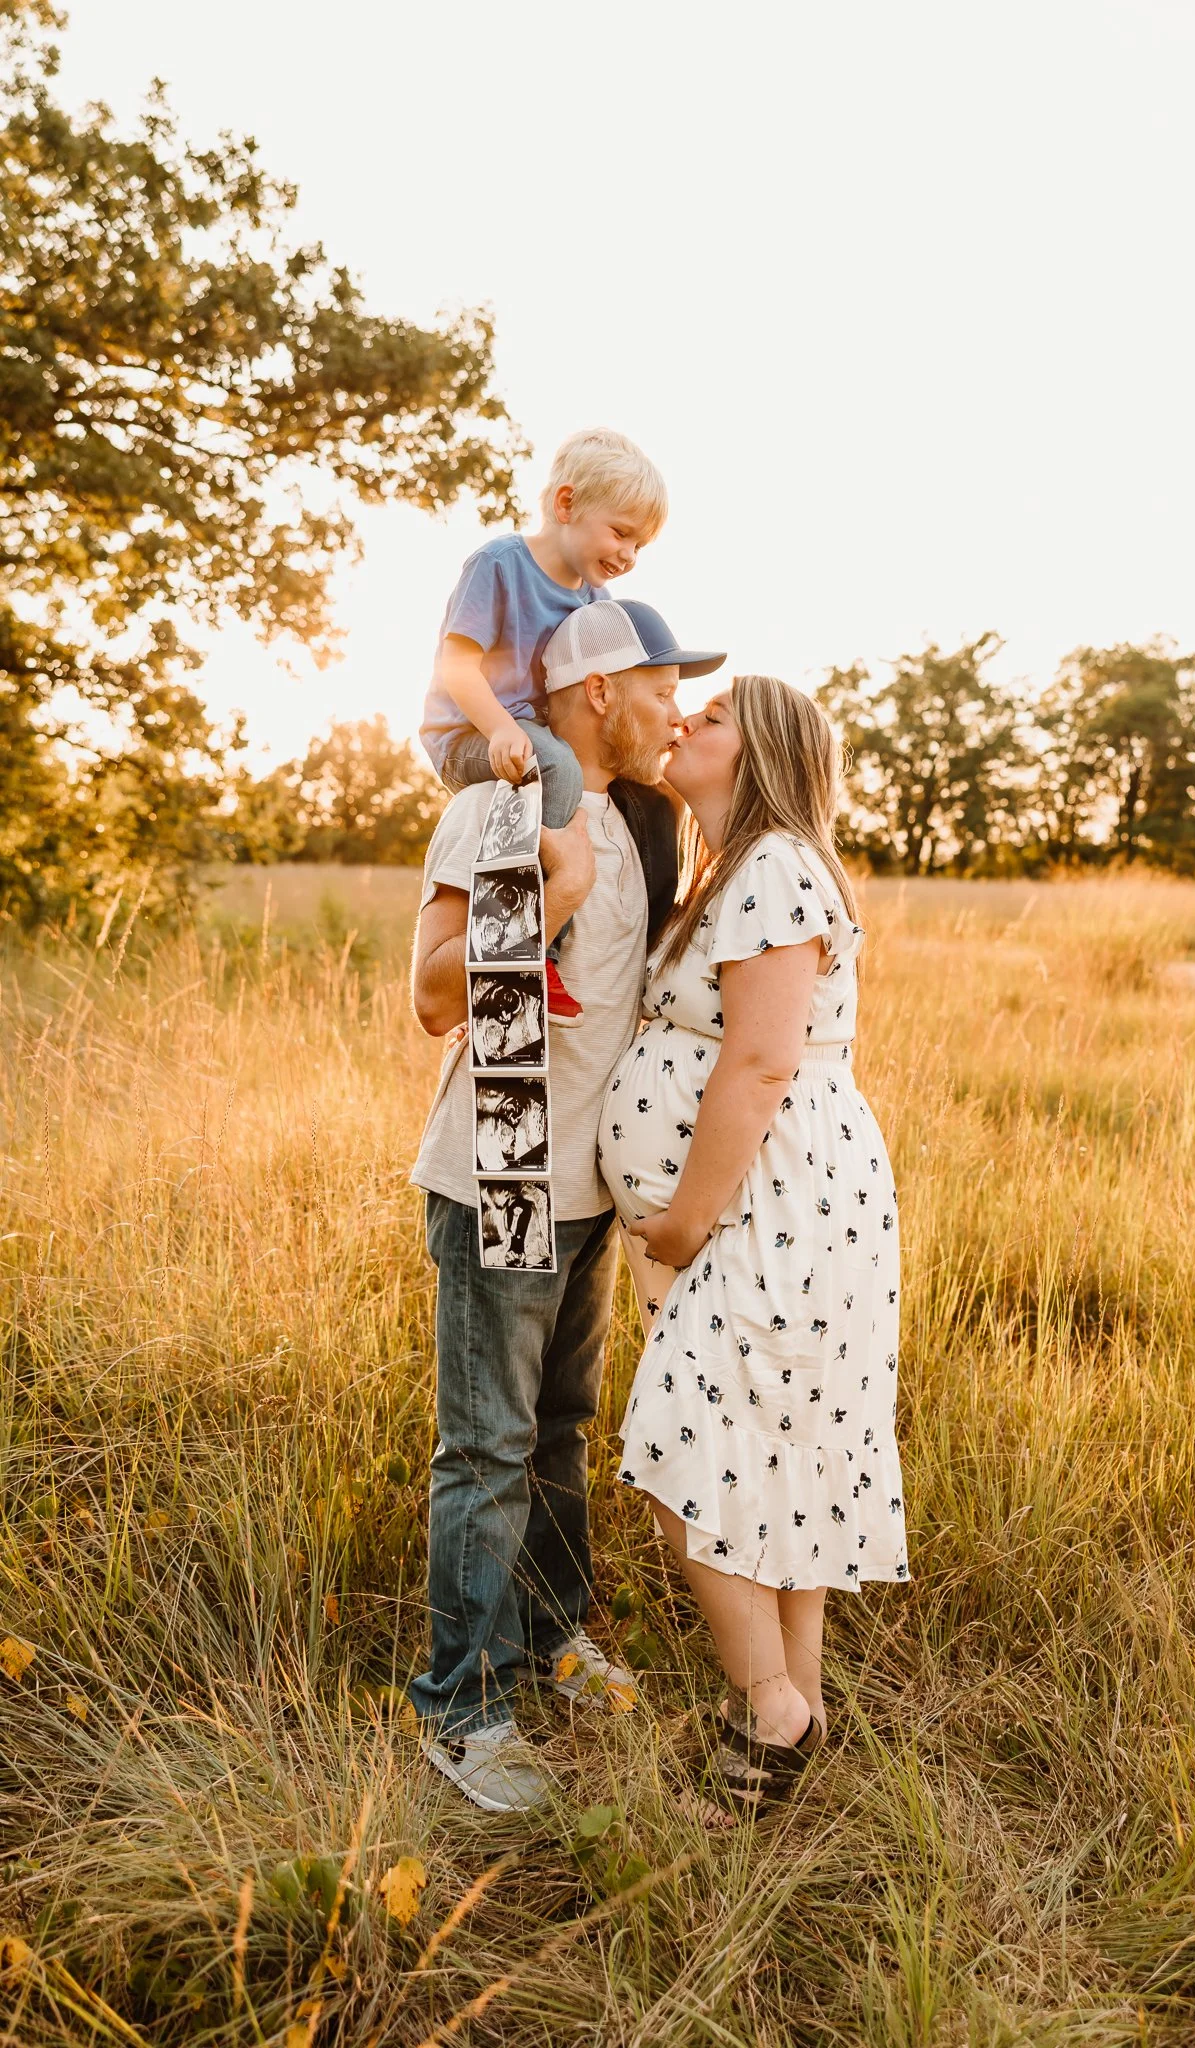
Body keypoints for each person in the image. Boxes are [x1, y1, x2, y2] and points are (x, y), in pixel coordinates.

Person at [408, 597, 724, 1813]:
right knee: (486, 1446)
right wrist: (554, 888)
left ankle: (547, 1638)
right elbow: (439, 999)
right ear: (598, 690)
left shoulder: (648, 820)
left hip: (589, 1178)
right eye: (661, 686)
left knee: (559, 1430)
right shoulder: (504, 806)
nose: (675, 708)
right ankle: (463, 1705)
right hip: (505, 1157)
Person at [598, 675, 909, 1817]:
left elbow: (762, 1062)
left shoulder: (775, 865)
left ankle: (770, 1703)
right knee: (775, 1448)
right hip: (778, 1198)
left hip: (771, 1204)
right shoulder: (733, 870)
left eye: (714, 714)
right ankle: (797, 1713)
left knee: (688, 1441)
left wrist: (680, 1219)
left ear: (763, 751)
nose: (685, 721)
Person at [420, 428, 668, 1024]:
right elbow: (457, 666)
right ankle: (539, 955)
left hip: (534, 735)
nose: (629, 554)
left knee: (647, 799)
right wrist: (500, 728)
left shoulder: (594, 599)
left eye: (642, 544)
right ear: (565, 505)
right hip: (468, 733)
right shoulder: (499, 564)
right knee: (553, 765)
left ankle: (658, 945)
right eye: (621, 532)